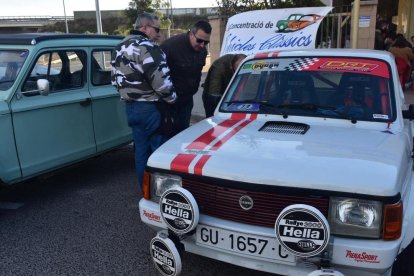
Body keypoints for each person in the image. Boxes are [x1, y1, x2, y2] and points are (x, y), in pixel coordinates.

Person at [111, 12, 177, 188]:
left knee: (141, 153)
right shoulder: (149, 47)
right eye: (156, 29)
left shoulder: (118, 47)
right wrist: (172, 99)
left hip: (131, 109)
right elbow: (162, 84)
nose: (159, 34)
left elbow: (114, 80)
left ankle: (146, 191)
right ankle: (162, 195)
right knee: (159, 152)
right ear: (145, 27)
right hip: (151, 109)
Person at [161, 20, 212, 133]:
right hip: (169, 102)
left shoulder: (202, 51)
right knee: (167, 135)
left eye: (206, 42)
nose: (202, 45)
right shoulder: (170, 46)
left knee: (183, 133)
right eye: (199, 40)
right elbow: (158, 75)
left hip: (187, 100)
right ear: (191, 34)